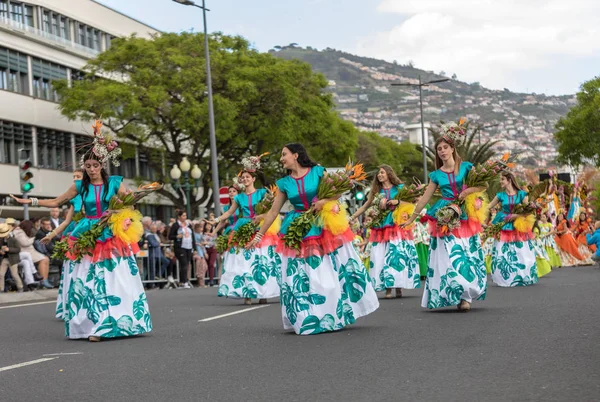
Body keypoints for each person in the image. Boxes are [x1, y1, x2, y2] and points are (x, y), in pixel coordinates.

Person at [10, 120, 152, 342]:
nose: (92, 170)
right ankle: (92, 324)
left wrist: (120, 216)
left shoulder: (114, 182)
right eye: (88, 166)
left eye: (95, 166)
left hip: (109, 231)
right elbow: (57, 201)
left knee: (115, 276)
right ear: (84, 168)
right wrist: (28, 200)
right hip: (87, 230)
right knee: (87, 278)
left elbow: (129, 204)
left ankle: (119, 321)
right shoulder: (80, 186)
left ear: (102, 165)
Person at [246, 143, 379, 334]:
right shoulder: (284, 183)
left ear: (296, 155)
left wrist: (323, 202)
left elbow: (338, 191)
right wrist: (258, 235)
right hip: (297, 227)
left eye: (284, 154)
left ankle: (331, 313)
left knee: (325, 270)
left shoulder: (317, 171)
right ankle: (307, 315)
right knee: (301, 274)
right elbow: (273, 212)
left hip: (321, 225)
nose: (281, 158)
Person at [403, 119, 487, 311]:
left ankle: (466, 296)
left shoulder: (466, 167)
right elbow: (424, 199)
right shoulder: (436, 175)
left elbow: (484, 185)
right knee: (447, 255)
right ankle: (453, 293)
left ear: (452, 149)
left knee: (464, 253)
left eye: (444, 147)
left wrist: (467, 192)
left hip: (464, 215)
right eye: (439, 148)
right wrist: (411, 218)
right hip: (444, 216)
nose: (441, 151)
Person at [213, 160, 280, 305]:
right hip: (243, 227)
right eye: (243, 178)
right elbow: (229, 213)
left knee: (261, 261)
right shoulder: (238, 197)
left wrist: (261, 217)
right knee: (244, 261)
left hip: (259, 227)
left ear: (253, 179)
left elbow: (271, 209)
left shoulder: (262, 193)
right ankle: (247, 293)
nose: (245, 179)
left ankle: (263, 293)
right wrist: (216, 220)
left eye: (247, 177)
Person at [350, 165, 420, 298]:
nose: (379, 175)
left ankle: (398, 286)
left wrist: (396, 201)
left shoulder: (399, 188)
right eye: (378, 173)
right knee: (381, 256)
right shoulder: (377, 192)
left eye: (382, 172)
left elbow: (411, 201)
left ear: (389, 173)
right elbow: (365, 206)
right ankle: (387, 288)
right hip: (381, 227)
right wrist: (352, 217)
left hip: (396, 225)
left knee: (396, 255)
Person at [40, 168, 84, 319]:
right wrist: (51, 235)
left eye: (78, 176)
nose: (75, 179)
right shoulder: (74, 198)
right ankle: (71, 307)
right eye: (74, 177)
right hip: (73, 236)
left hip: (91, 235)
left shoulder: (97, 193)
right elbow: (66, 220)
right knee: (72, 273)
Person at [487, 171, 538, 287]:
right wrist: (477, 205)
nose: (500, 182)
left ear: (509, 180)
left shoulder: (522, 194)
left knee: (521, 251)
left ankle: (523, 276)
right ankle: (505, 278)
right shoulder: (500, 195)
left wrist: (516, 216)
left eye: (502, 179)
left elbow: (528, 211)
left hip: (518, 225)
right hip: (504, 224)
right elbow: (489, 206)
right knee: (502, 251)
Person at [13, 220, 53, 289]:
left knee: (46, 259)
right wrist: (34, 238)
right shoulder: (18, 232)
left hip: (30, 251)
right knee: (43, 260)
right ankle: (43, 281)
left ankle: (45, 279)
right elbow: (25, 242)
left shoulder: (22, 231)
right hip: (25, 252)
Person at [168, 210, 196, 289]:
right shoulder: (176, 225)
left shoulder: (188, 224)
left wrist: (195, 248)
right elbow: (170, 236)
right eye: (183, 216)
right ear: (179, 217)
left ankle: (182, 281)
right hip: (180, 247)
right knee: (183, 264)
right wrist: (176, 236)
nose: (185, 217)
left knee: (186, 264)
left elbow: (192, 236)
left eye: (185, 216)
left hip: (189, 246)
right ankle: (184, 282)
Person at [0, 223, 24, 293]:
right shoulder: (1, 240)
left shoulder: (13, 240)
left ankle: (20, 287)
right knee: (1, 274)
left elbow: (18, 249)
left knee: (14, 274)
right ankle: (1, 289)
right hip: (5, 258)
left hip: (13, 259)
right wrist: (1, 251)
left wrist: (9, 249)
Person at [193, 222, 208, 288]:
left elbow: (203, 245)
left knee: (204, 267)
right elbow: (193, 243)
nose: (201, 229)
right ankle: (200, 282)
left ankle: (202, 281)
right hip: (197, 252)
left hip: (201, 252)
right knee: (199, 267)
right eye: (200, 227)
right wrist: (198, 244)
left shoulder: (201, 235)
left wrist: (205, 253)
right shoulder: (194, 235)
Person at [202, 222, 218, 287]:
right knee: (207, 265)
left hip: (213, 249)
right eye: (207, 225)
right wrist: (204, 252)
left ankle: (211, 280)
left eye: (210, 225)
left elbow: (215, 242)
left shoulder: (214, 233)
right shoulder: (202, 234)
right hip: (206, 250)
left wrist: (208, 243)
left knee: (211, 264)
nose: (209, 226)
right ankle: (206, 279)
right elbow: (202, 243)